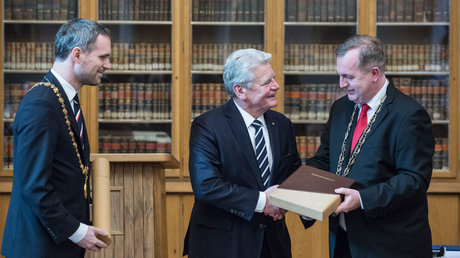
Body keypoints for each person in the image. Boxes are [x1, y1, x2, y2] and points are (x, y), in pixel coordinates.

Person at [306, 35, 434, 258]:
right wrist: (299, 191)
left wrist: (363, 199)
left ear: (374, 73)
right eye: (339, 76)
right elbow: (325, 159)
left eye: (349, 77)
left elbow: (414, 179)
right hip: (343, 239)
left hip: (388, 243)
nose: (341, 84)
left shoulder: (409, 115)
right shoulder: (340, 108)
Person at [183, 48, 312, 258]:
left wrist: (308, 205)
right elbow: (206, 186)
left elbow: (293, 174)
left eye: (274, 79)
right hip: (223, 245)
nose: (276, 86)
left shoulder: (282, 124)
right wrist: (264, 202)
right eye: (266, 82)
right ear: (240, 91)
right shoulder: (208, 125)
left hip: (272, 245)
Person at [2, 18, 112, 258]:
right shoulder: (42, 103)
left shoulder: (63, 97)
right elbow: (34, 185)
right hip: (38, 247)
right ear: (77, 55)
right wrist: (76, 230)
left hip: (56, 245)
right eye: (103, 57)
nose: (108, 65)